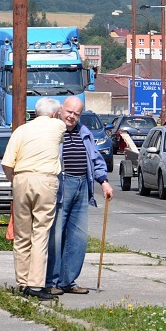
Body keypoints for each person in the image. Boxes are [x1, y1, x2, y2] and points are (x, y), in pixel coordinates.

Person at [45, 96, 113, 296]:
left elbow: (95, 158)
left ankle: (68, 281)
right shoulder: (53, 131)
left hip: (83, 184)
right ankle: (51, 281)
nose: (72, 117)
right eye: (69, 112)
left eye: (76, 113)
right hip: (61, 185)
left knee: (78, 237)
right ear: (60, 110)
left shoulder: (85, 132)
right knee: (56, 237)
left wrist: (104, 181)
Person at [2, 97, 67, 300]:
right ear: (55, 114)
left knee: (22, 235)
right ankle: (36, 284)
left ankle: (21, 282)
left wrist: (16, 181)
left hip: (21, 178)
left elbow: (7, 163)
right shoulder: (58, 125)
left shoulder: (21, 130)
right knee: (40, 232)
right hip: (45, 179)